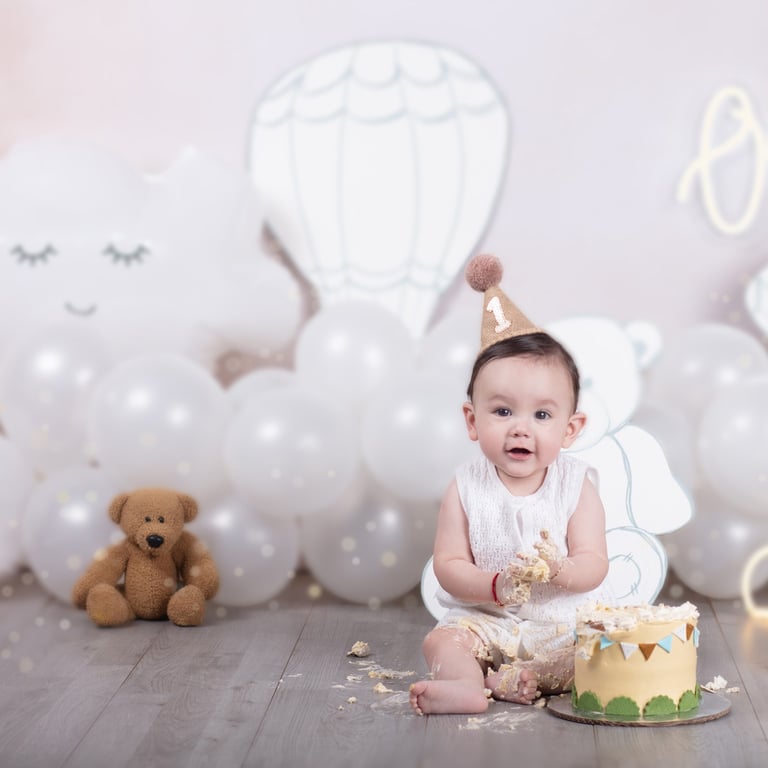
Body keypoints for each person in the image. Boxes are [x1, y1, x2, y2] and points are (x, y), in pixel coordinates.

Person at [409, 254, 613, 716]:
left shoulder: (576, 485)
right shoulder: (464, 487)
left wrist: (561, 570)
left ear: (570, 429)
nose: (521, 429)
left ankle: (512, 681)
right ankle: (467, 682)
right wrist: (494, 585)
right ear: (472, 420)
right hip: (489, 619)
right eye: (503, 412)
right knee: (443, 640)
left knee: (596, 650)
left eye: (542, 415)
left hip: (561, 624)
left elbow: (594, 563)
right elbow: (449, 564)